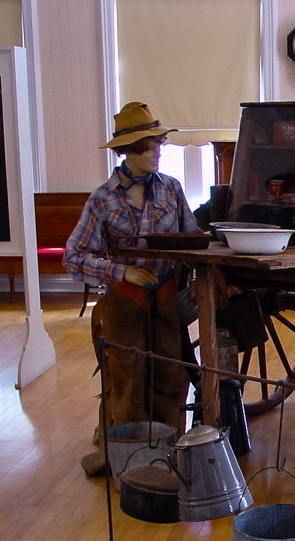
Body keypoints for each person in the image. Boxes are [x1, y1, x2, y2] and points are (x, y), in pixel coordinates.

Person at [64, 101, 200, 476]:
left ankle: (169, 452)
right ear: (127, 151)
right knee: (127, 379)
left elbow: (192, 239)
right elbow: (73, 256)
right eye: (147, 145)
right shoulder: (101, 200)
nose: (156, 152)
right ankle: (129, 459)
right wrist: (120, 272)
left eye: (158, 143)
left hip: (168, 300)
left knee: (172, 375)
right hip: (125, 304)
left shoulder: (171, 190)